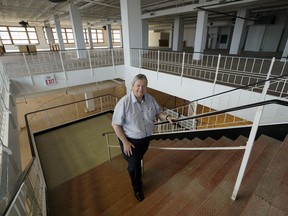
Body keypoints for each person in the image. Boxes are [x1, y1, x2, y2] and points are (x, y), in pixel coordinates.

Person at [112, 74, 176, 202]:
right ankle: (137, 188)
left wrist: (168, 117)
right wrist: (125, 142)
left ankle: (137, 167)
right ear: (132, 86)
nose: (141, 89)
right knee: (133, 166)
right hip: (130, 141)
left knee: (138, 159)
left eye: (144, 86)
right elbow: (115, 124)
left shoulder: (150, 99)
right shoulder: (124, 103)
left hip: (145, 139)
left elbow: (158, 113)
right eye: (138, 85)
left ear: (146, 87)